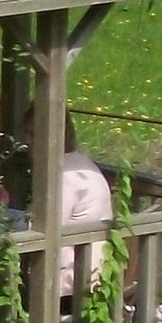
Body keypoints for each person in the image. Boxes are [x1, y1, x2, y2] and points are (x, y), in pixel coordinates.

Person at [59, 121, 115, 299]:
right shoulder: (79, 163)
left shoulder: (65, 175)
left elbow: (50, 226)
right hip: (97, 269)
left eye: (32, 134)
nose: (26, 142)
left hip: (75, 280)